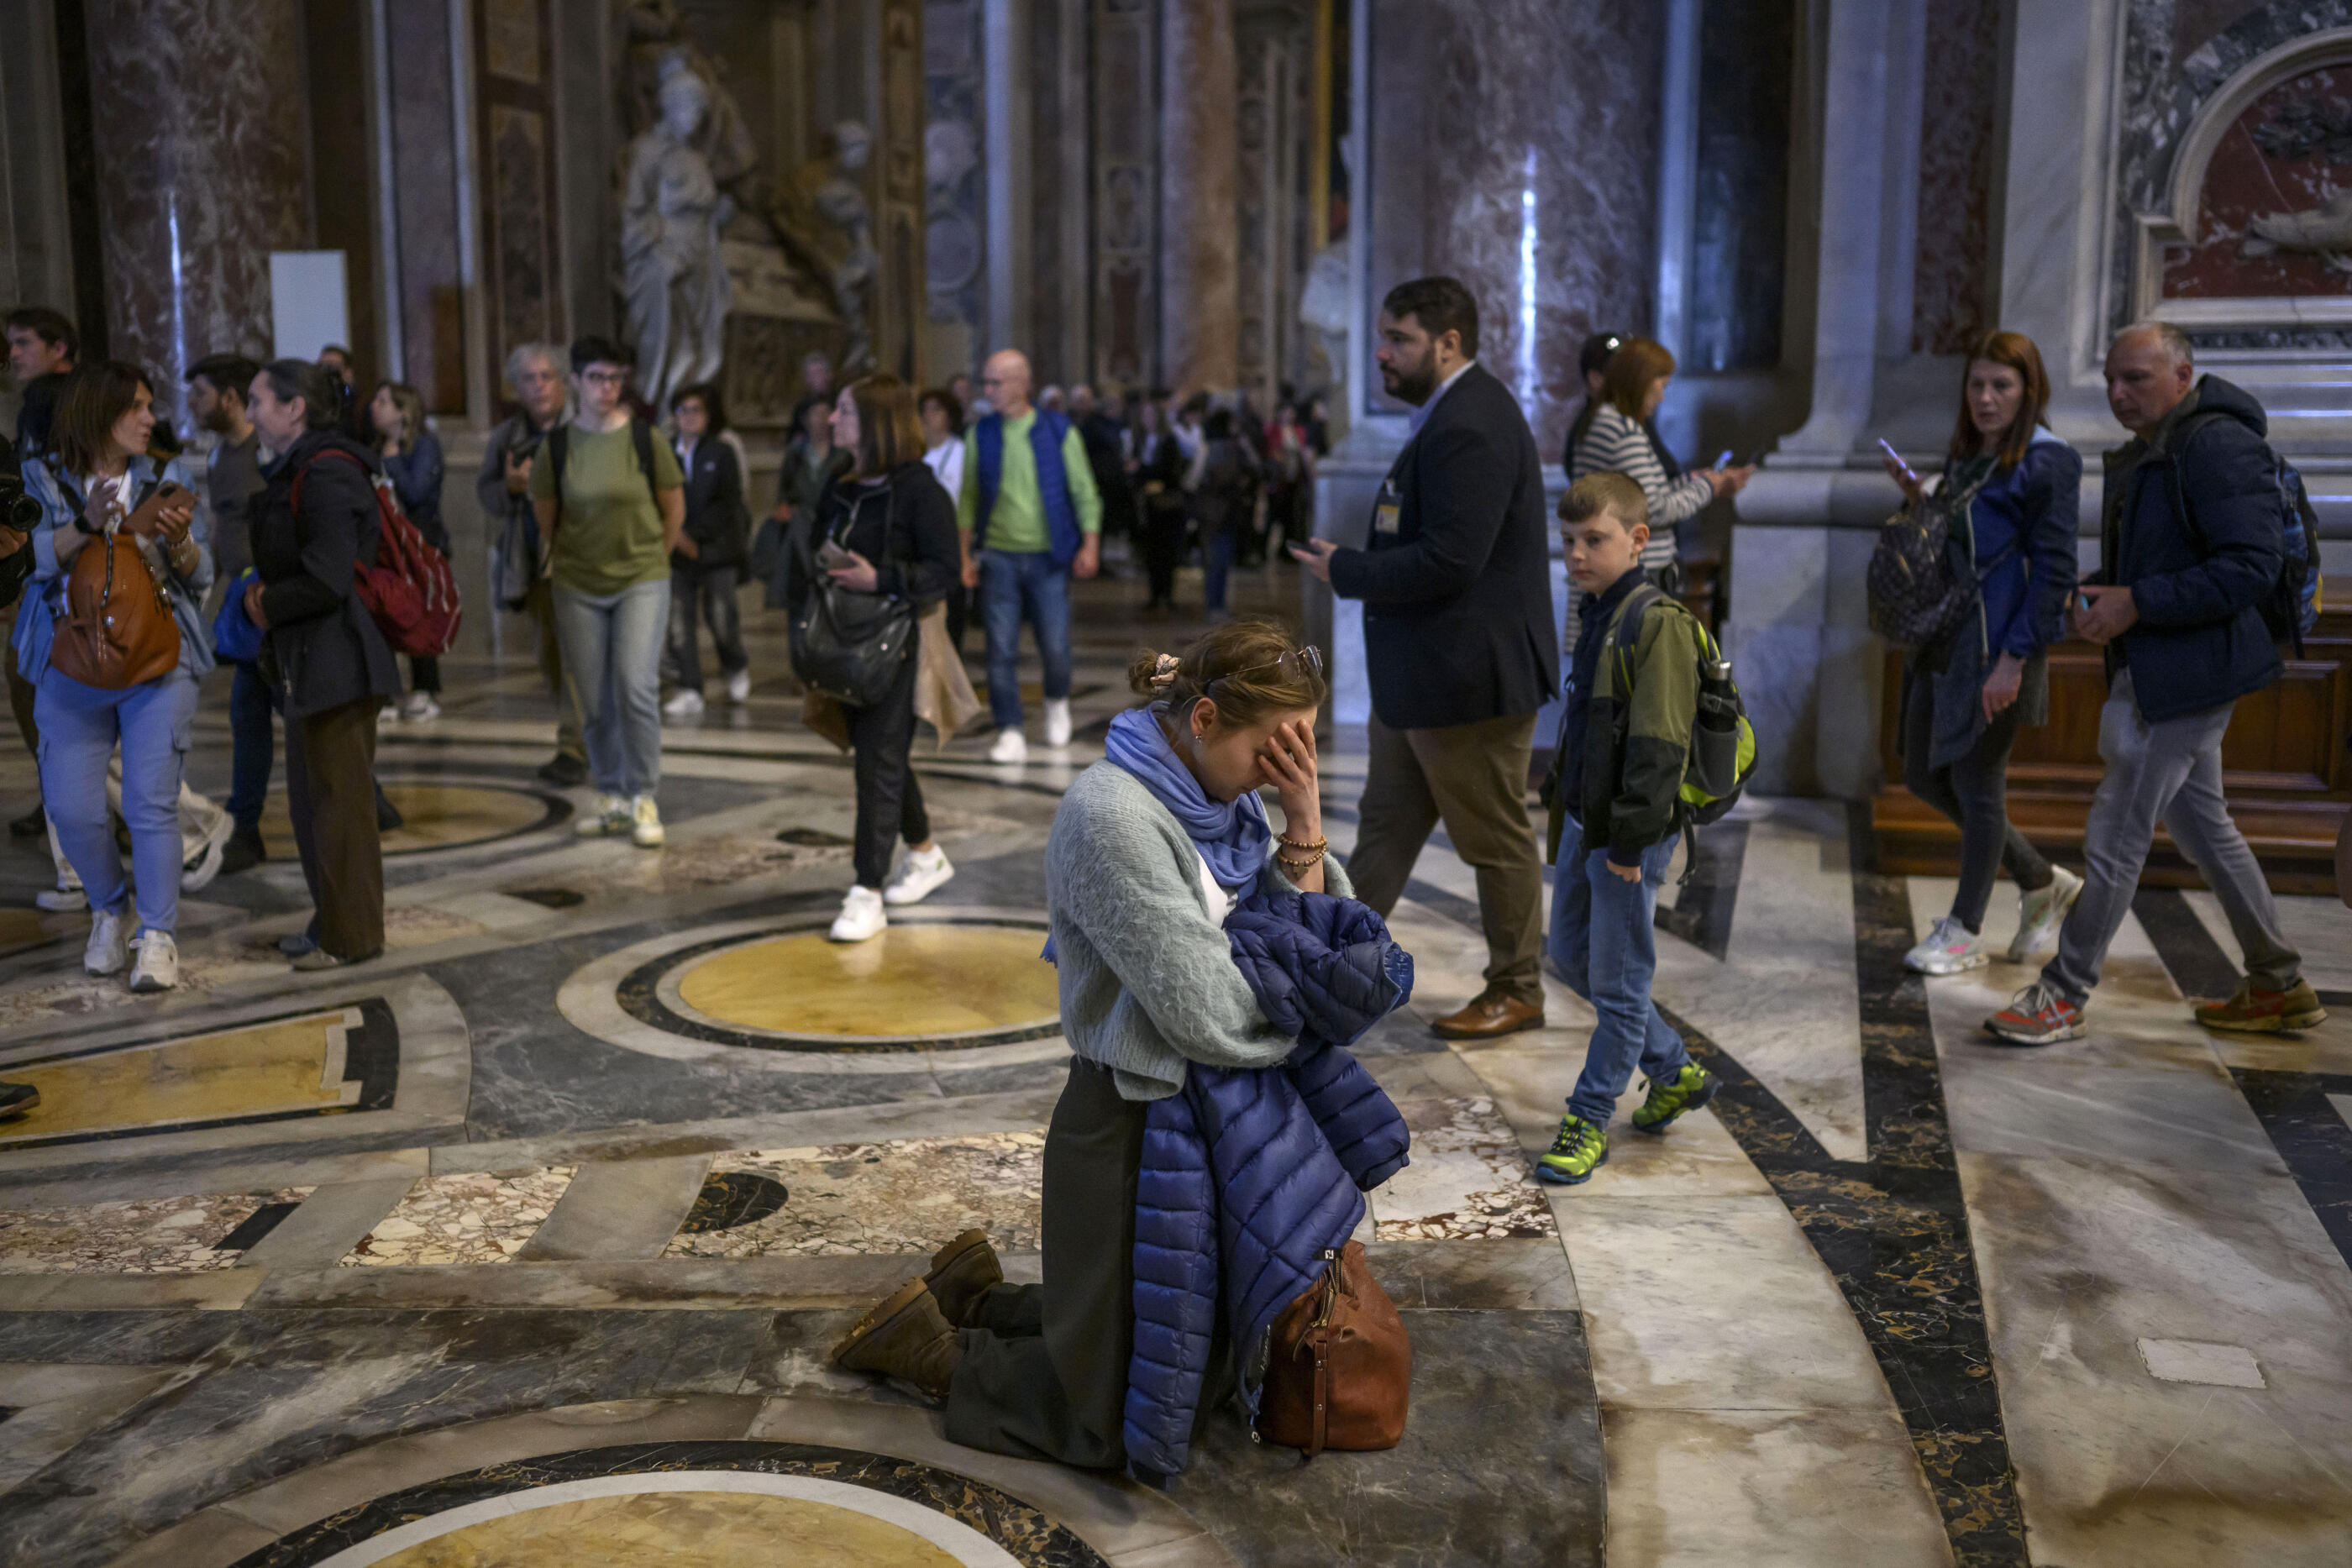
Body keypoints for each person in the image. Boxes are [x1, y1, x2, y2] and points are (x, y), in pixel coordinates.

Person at [827, 621, 1332, 1462]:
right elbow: (1207, 1011)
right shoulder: (1112, 817)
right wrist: (1305, 1005)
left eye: (1305, 752)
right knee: (1115, 1411)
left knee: (1192, 1355)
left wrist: (1305, 821)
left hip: (1212, 1118)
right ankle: (927, 1346)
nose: (1289, 770)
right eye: (1276, 750)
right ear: (1203, 719)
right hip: (1133, 1121)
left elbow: (1317, 927)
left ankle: (978, 1297)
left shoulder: (1234, 801)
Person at [1987, 323, 2326, 1043]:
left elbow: (2250, 566)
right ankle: (2278, 981)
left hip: (2189, 674)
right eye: (2111, 378)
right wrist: (2104, 593)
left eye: (2136, 378)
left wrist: (2136, 602)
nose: (2117, 392)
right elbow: (2165, 559)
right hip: (2171, 666)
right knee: (2207, 827)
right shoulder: (2161, 446)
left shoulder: (2216, 445)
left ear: (2182, 375)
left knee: (2117, 832)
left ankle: (2063, 991)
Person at [1292, 275, 1557, 1039]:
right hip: (1426, 681)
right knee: (1385, 831)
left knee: (1495, 836)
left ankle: (1518, 987)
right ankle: (1324, 963)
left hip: (1466, 684)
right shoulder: (1451, 416)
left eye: (1399, 339)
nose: (1381, 353)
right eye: (1383, 336)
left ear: (1450, 344)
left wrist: (1347, 569)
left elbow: (1451, 560)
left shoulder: (1470, 423)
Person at [1535, 474, 1718, 1184]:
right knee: (1571, 956)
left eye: (1595, 540)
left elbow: (1660, 745)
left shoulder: (1657, 621)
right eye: (1569, 542)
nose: (1578, 554)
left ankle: (1589, 1115)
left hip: (1627, 835)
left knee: (1617, 981)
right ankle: (1674, 1070)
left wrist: (1634, 843)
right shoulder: (1598, 611)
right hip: (1589, 819)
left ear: (1638, 539)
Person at [1882, 332, 2085, 974]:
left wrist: (2013, 660)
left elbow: (2054, 572)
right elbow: (1964, 543)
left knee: (1977, 783)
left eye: (2002, 386)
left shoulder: (2049, 460)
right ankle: (2039, 879)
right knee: (1920, 771)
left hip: (2000, 647)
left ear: (2030, 391)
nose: (1987, 398)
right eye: (1977, 385)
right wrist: (1922, 498)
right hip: (1945, 637)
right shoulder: (1972, 457)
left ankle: (1965, 929)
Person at [17, 362, 213, 992]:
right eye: (134, 407)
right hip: (69, 661)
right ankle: (109, 906)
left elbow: (200, 575)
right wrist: (82, 525)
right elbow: (21, 562)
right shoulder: (40, 478)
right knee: (73, 807)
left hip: (158, 658)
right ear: (96, 413)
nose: (148, 418)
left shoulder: (167, 476)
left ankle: (157, 935)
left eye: (149, 405)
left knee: (149, 802)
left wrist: (179, 544)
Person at [787, 375, 963, 941]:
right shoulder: (842, 485)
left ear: (876, 422)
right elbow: (815, 548)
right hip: (847, 641)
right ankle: (926, 853)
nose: (831, 420)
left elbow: (945, 571)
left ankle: (866, 890)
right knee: (878, 754)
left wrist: (878, 577)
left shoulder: (920, 490)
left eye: (843, 411)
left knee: (878, 761)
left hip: (902, 641)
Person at [244, 359, 398, 968]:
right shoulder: (301, 468)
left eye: (257, 401)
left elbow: (329, 578)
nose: (250, 411)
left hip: (340, 659)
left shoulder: (328, 473)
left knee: (340, 810)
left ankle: (352, 939)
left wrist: (264, 601)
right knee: (316, 807)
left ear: (294, 408)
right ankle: (331, 920)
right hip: (312, 658)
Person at [531, 335, 688, 849]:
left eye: (615, 378)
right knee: (594, 697)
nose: (607, 388)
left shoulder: (646, 439)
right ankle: (613, 794)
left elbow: (674, 510)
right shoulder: (556, 447)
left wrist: (653, 560)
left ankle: (644, 793)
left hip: (641, 577)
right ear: (575, 382)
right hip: (577, 583)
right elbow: (547, 521)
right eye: (597, 378)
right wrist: (575, 562)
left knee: (635, 685)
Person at [956, 348, 1104, 763]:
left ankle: (1057, 701)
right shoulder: (980, 434)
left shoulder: (1058, 431)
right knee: (999, 649)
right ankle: (1010, 728)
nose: (988, 390)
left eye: (995, 382)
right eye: (985, 382)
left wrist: (1089, 543)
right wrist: (964, 553)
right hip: (999, 556)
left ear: (1023, 384)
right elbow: (966, 499)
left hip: (1049, 558)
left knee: (1054, 645)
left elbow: (1084, 491)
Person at [1567, 337, 1750, 640]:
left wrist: (1693, 481)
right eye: (1661, 385)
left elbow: (1638, 493)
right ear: (1640, 383)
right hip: (1634, 578)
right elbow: (1653, 510)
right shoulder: (1623, 432)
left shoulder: (1603, 421)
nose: (1662, 397)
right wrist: (1709, 487)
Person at [476, 343, 585, 786]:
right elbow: (487, 494)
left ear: (563, 382)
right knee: (552, 656)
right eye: (528, 379)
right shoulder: (507, 436)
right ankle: (584, 734)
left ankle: (573, 748)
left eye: (546, 377)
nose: (538, 386)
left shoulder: (584, 428)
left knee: (580, 655)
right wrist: (513, 488)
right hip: (530, 562)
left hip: (578, 558)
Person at [187, 353, 272, 873]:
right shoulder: (222, 455)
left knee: (281, 710)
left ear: (230, 398)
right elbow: (221, 529)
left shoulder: (265, 450)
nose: (193, 404)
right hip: (242, 600)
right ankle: (245, 825)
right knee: (248, 710)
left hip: (273, 599)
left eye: (200, 393)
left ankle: (246, 824)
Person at [5, 307, 76, 842]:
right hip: (45, 561)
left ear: (59, 349)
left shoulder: (58, 399)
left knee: (41, 687)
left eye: (24, 343)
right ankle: (62, 797)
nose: (13, 355)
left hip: (61, 567)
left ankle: (73, 801)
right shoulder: (40, 401)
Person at [661, 380, 751, 718]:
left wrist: (694, 536)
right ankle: (689, 687)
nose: (689, 416)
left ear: (707, 414)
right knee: (678, 622)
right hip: (676, 550)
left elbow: (729, 504)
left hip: (717, 549)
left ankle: (736, 664)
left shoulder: (721, 451)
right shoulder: (667, 450)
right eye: (683, 410)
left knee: (721, 617)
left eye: (696, 410)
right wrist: (676, 536)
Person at [366, 381, 448, 724]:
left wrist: (393, 461)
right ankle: (384, 691)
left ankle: (424, 689)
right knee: (383, 614)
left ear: (403, 410)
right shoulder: (372, 446)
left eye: (383, 401)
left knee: (417, 614)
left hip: (418, 544)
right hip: (383, 546)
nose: (375, 406)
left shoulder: (424, 446)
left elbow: (417, 492)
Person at [1189, 408, 1259, 616]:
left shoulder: (1208, 448)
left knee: (1215, 561)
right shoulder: (1230, 448)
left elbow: (1195, 480)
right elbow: (1255, 468)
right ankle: (1215, 605)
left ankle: (1215, 604)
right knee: (1219, 561)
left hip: (1213, 512)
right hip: (1224, 512)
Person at [919, 385, 970, 648]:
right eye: (924, 411)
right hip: (921, 542)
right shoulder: (916, 453)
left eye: (936, 410)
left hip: (950, 539)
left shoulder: (962, 452)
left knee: (952, 614)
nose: (928, 416)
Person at [1134, 392, 1189, 614]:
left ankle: (1167, 594)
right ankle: (1154, 594)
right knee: (1151, 552)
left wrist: (1146, 474)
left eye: (1150, 415)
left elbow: (1171, 472)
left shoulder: (1168, 441)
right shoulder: (1141, 441)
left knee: (1167, 551)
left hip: (1166, 505)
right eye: (1144, 415)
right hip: (1147, 505)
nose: (1146, 419)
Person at [1560, 329, 1623, 479]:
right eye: (1623, 375)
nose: (1632, 383)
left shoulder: (1620, 420)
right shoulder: (1611, 423)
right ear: (1595, 379)